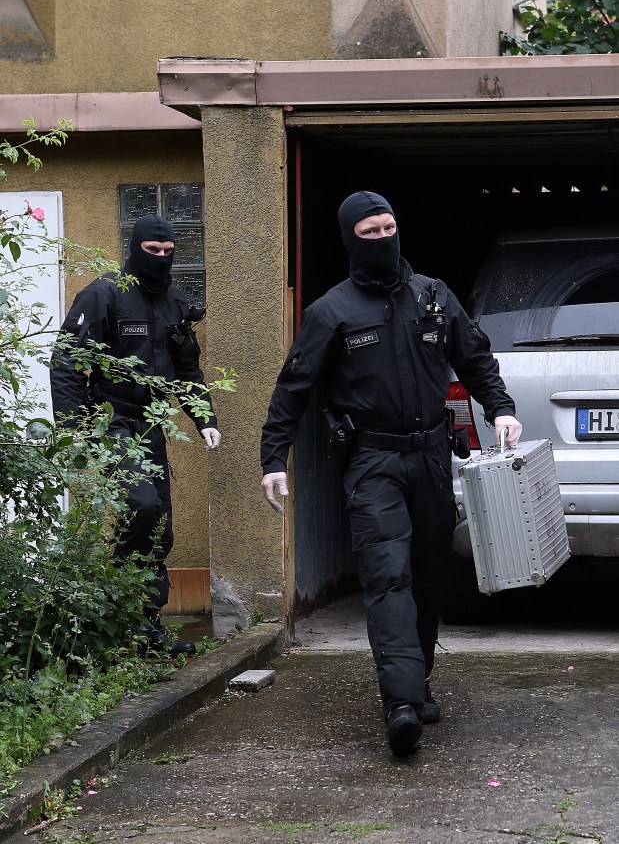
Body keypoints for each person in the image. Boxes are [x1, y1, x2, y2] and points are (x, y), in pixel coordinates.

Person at [260, 191, 522, 756]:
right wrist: (272, 459)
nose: (381, 238)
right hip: (372, 460)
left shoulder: (433, 298)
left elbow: (475, 358)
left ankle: (418, 683)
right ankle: (399, 703)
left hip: (431, 454)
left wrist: (500, 408)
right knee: (387, 575)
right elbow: (294, 389)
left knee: (430, 575)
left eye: (388, 228)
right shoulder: (332, 312)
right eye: (369, 232)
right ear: (350, 239)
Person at [51, 214, 221, 659]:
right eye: (152, 252)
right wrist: (73, 431)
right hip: (110, 418)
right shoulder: (104, 294)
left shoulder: (175, 304)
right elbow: (68, 361)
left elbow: (188, 370)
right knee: (141, 506)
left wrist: (206, 418)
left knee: (157, 526)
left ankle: (144, 631)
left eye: (168, 253)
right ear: (134, 248)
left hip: (151, 424)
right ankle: (115, 613)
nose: (161, 260)